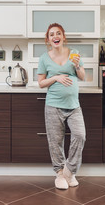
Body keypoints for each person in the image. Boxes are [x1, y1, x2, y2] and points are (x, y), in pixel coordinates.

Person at [37, 23, 86, 190]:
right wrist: (56, 78)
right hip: (53, 105)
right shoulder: (44, 58)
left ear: (63, 37)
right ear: (48, 39)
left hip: (73, 105)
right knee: (56, 142)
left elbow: (83, 77)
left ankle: (68, 172)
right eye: (52, 34)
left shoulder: (74, 54)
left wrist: (78, 66)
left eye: (58, 33)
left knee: (80, 135)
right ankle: (59, 173)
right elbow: (41, 83)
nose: (55, 36)